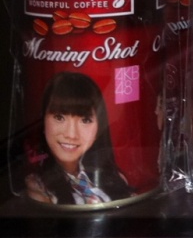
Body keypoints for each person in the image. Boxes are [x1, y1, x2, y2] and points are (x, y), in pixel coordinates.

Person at [24, 72, 133, 205]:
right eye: (59, 117)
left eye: (85, 120)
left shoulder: (114, 177)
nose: (71, 134)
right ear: (43, 120)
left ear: (99, 126)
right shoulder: (38, 187)